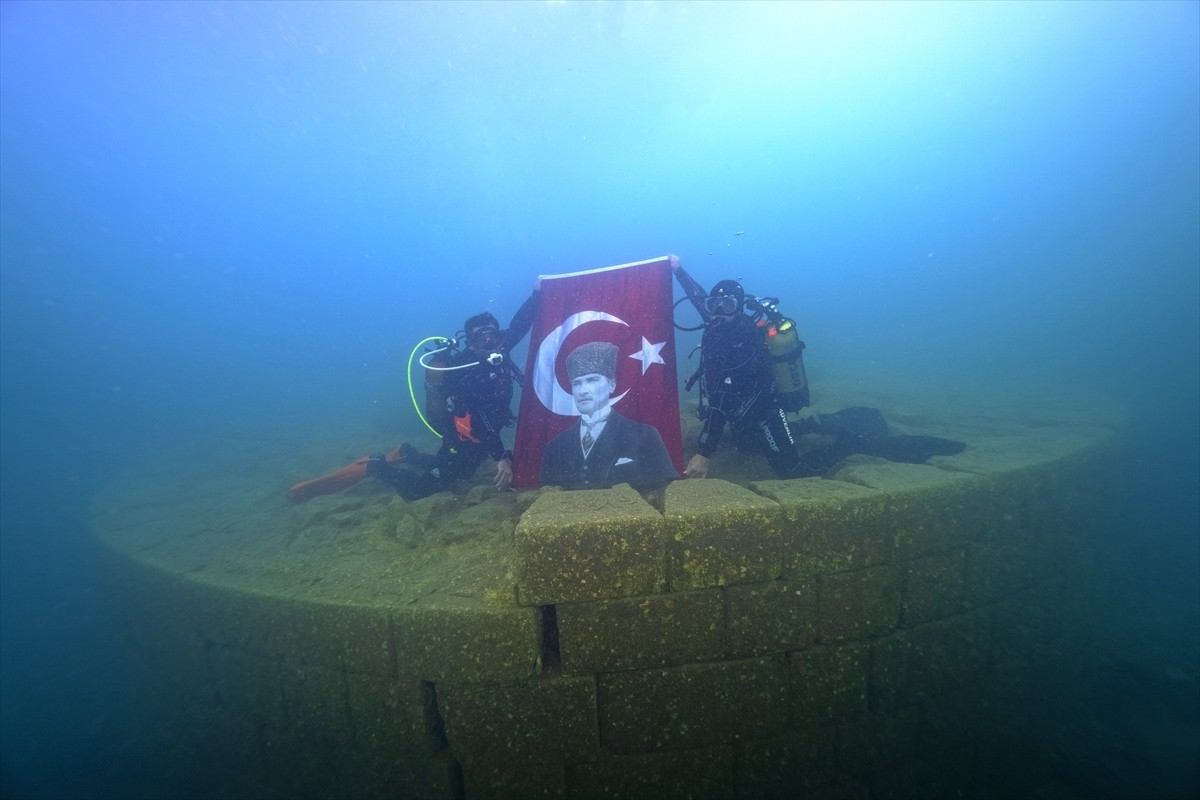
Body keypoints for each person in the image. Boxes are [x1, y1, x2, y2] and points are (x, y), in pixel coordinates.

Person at [673, 263, 964, 479]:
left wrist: (704, 452)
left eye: (727, 305)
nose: (718, 312)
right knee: (747, 446)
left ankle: (847, 445)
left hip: (764, 412)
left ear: (738, 308)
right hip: (740, 416)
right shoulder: (715, 323)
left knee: (794, 472)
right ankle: (811, 424)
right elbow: (698, 297)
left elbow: (723, 395)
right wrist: (679, 270)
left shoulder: (746, 336)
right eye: (715, 304)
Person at [287, 289, 539, 503]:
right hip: (463, 440)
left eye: (492, 336)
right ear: (470, 344)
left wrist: (538, 293)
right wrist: (500, 456)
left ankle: (408, 454)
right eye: (480, 339)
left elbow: (520, 325)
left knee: (462, 471)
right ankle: (376, 466)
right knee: (421, 489)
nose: (489, 343)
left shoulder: (500, 347)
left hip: (480, 439)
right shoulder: (464, 372)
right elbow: (481, 418)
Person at [540, 341, 679, 490]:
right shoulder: (556, 447)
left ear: (612, 385)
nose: (583, 390)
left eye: (592, 380)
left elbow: (666, 491)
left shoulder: (645, 435)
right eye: (576, 383)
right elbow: (547, 500)